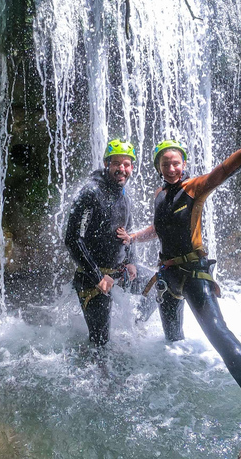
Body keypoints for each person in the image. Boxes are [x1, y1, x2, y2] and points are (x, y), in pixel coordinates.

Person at [119, 108, 241, 440]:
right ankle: (174, 399)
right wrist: (135, 236)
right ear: (158, 168)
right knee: (171, 340)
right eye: (165, 163)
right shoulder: (160, 195)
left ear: (183, 164)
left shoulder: (195, 188)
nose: (171, 167)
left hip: (194, 273)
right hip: (168, 277)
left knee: (219, 333)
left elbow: (227, 168)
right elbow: (161, 228)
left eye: (175, 162)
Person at [64, 139, 152, 346]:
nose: (122, 169)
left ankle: (135, 326)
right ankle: (93, 372)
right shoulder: (91, 193)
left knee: (158, 287)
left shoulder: (124, 195)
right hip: (93, 278)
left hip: (119, 272)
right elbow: (73, 239)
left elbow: (126, 233)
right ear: (107, 164)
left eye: (127, 164)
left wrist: (131, 261)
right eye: (116, 163)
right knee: (100, 343)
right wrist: (97, 276)